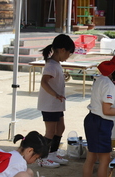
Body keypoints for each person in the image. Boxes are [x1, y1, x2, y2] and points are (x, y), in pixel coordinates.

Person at [37, 34, 75, 168]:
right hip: (49, 104)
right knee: (50, 131)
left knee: (61, 127)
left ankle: (52, 153)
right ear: (62, 50)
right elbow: (44, 82)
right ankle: (43, 157)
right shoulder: (51, 65)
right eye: (69, 54)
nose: (68, 57)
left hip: (56, 104)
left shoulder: (56, 64)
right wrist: (55, 94)